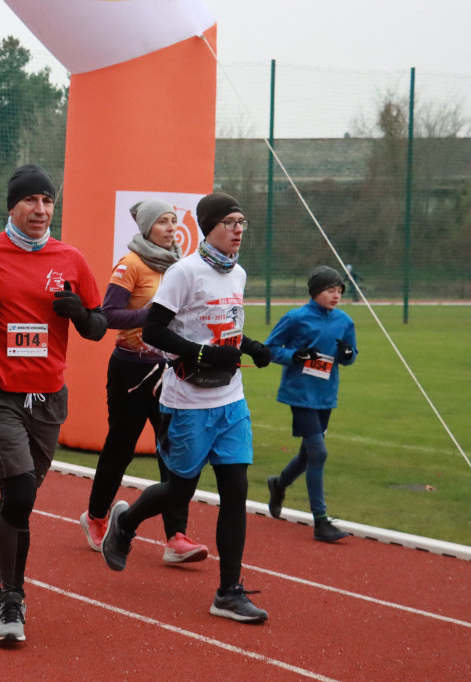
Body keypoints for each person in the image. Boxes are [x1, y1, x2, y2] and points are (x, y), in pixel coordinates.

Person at [0, 163, 107, 644]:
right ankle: (12, 600)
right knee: (23, 495)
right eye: (31, 200)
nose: (40, 209)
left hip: (49, 397)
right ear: (12, 205)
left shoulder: (70, 258)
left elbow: (97, 324)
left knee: (17, 496)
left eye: (48, 200)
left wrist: (80, 314)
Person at [100, 192, 273, 624]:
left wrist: (250, 346)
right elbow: (156, 331)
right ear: (209, 226)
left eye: (242, 222)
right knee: (180, 491)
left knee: (236, 489)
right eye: (231, 221)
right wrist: (200, 355)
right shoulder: (183, 272)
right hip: (188, 401)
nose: (238, 230)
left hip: (230, 400)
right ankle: (125, 523)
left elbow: (222, 330)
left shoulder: (239, 274)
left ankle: (229, 591)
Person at [79, 200, 208, 564]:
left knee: (174, 454)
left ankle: (176, 536)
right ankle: (97, 516)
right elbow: (109, 313)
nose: (171, 228)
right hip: (131, 371)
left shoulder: (183, 266)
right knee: (121, 447)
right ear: (148, 227)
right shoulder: (130, 264)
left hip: (170, 371)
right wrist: (151, 314)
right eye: (164, 222)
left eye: (174, 222)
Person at [264, 266, 358, 543]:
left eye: (340, 291)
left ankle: (278, 484)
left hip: (326, 396)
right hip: (300, 394)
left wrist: (348, 354)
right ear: (316, 291)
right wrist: (296, 356)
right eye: (331, 290)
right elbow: (270, 349)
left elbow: (350, 357)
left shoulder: (344, 321)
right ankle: (320, 521)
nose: (336, 295)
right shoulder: (296, 318)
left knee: (307, 456)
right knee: (318, 453)